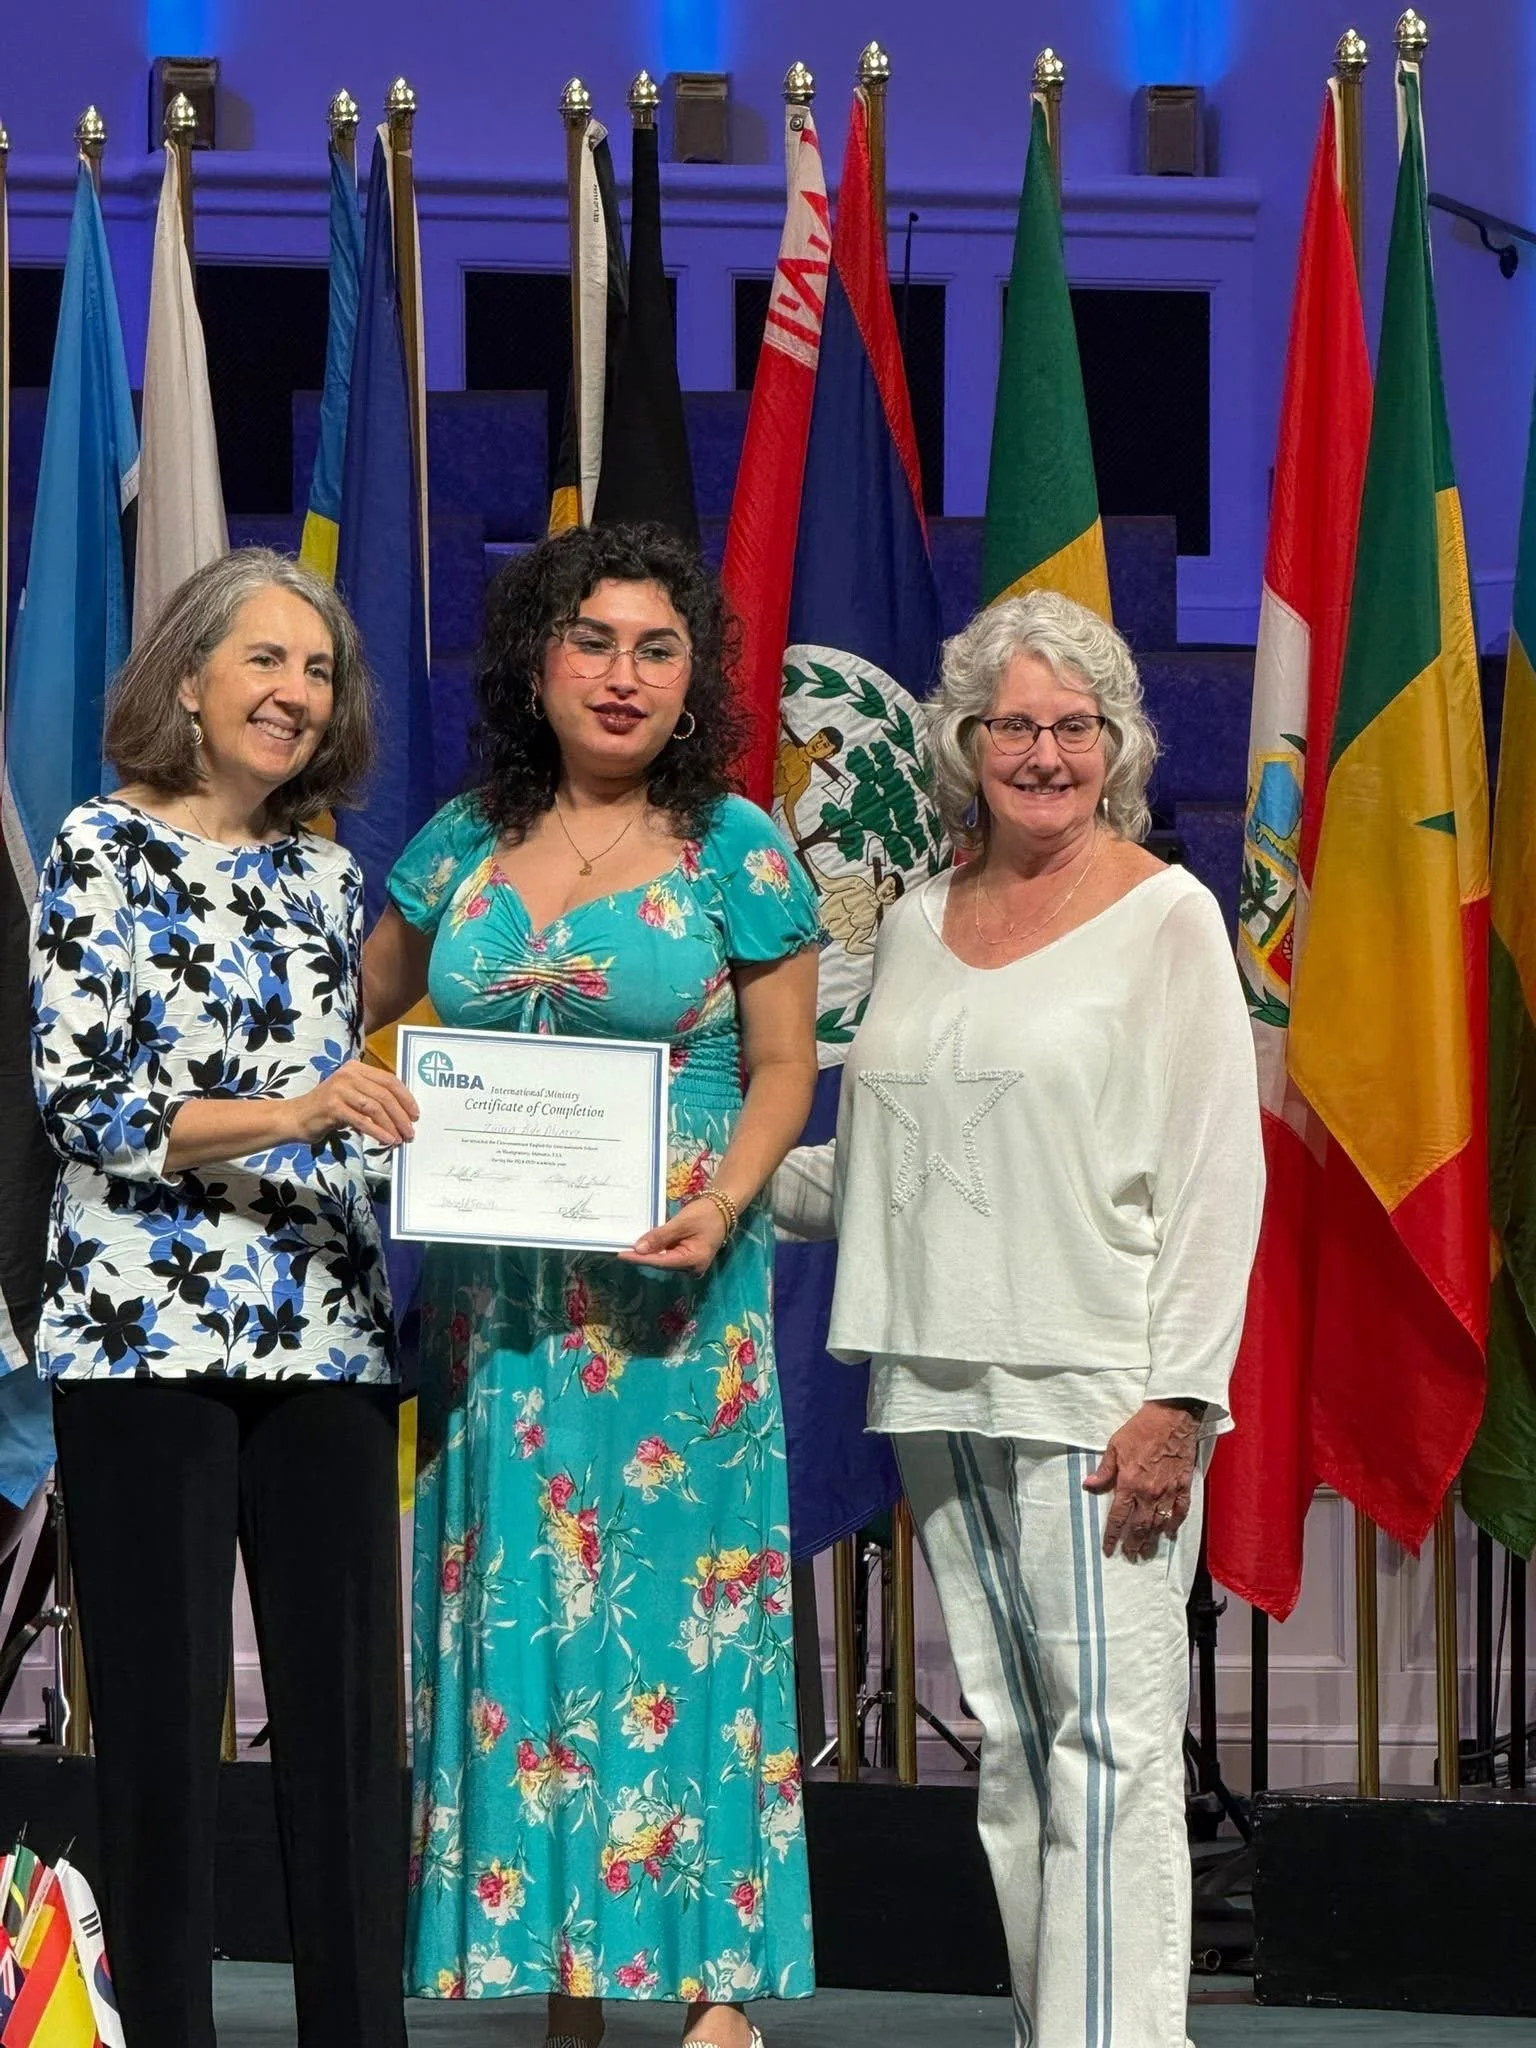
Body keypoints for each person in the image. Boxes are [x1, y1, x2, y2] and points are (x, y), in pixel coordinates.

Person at [775, 589, 1264, 2048]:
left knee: (1109, 1746)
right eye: (1013, 726)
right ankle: (1060, 2023)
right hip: (935, 1379)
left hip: (1101, 1390)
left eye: (1072, 727)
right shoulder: (916, 925)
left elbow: (1213, 1174)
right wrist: (706, 1180)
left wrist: (1180, 1398)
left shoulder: (1169, 915)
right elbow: (877, 1168)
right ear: (965, 740)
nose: (1042, 753)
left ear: (1114, 745)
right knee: (1012, 1750)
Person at [364, 524, 820, 2043]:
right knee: (532, 1624)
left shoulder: (738, 846)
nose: (623, 676)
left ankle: (711, 1990)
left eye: (657, 647)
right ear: (537, 664)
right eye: (593, 641)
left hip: (676, 1302)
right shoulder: (456, 842)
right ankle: (567, 1977)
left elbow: (780, 1071)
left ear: (695, 681)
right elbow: (357, 1009)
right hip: (504, 1316)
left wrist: (729, 1199)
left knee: (682, 1627)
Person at [28, 549, 418, 2048]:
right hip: (144, 1341)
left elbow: (360, 1096)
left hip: (323, 1331)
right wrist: (301, 1109)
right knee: (162, 1726)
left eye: (317, 673)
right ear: (186, 678)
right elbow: (85, 1103)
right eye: (265, 662)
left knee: (342, 1738)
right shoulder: (97, 851)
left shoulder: (328, 874)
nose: (295, 694)